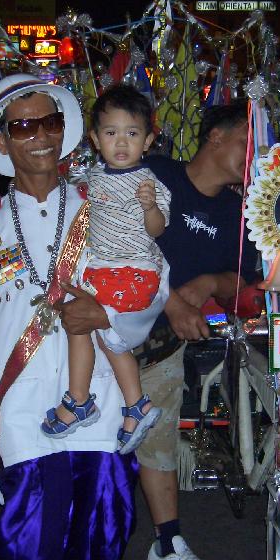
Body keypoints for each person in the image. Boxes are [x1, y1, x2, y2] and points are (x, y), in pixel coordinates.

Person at [0, 74, 167, 560]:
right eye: (23, 126)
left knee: (102, 542)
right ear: (1, 140)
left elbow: (155, 280)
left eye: (49, 122)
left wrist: (107, 313)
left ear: (64, 130)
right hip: (22, 414)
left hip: (103, 407)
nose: (40, 136)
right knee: (30, 548)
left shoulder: (104, 203)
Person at [136, 101, 259, 560]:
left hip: (164, 346)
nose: (251, 155)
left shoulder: (236, 212)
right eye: (246, 142)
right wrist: (170, 300)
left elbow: (242, 281)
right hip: (109, 332)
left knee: (158, 442)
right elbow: (114, 244)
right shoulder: (156, 175)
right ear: (216, 138)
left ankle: (167, 544)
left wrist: (209, 284)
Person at [41, 85, 169, 454]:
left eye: (132, 133)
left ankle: (100, 401)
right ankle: (118, 403)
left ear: (147, 141)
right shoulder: (94, 177)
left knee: (92, 328)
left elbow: (158, 230)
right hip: (101, 273)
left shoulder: (149, 184)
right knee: (83, 327)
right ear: (96, 139)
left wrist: (149, 208)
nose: (122, 142)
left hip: (133, 273)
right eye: (111, 133)